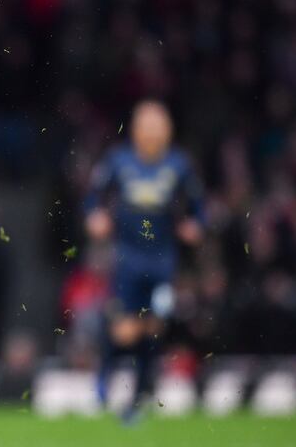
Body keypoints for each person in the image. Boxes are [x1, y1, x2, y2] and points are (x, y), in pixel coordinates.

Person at [84, 100, 204, 422]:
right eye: (146, 125)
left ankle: (136, 401)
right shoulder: (118, 161)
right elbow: (94, 196)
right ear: (135, 129)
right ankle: (104, 378)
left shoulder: (179, 165)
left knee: (154, 328)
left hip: (163, 260)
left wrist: (195, 225)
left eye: (158, 125)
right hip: (129, 258)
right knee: (125, 329)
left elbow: (198, 206)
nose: (152, 132)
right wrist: (95, 216)